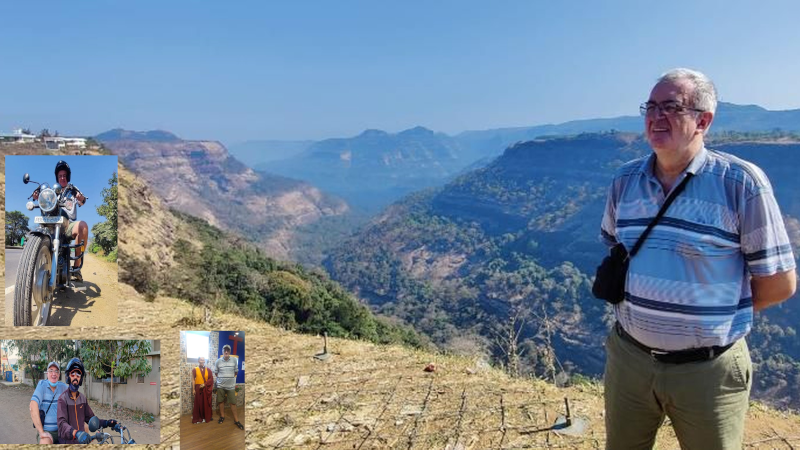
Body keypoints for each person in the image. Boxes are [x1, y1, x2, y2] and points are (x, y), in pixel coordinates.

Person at [599, 68, 797, 449]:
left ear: (703, 120)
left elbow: (780, 284)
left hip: (708, 371)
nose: (657, 116)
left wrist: (713, 313)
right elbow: (615, 244)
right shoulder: (624, 181)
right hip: (630, 360)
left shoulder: (741, 184)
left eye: (671, 107)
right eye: (651, 106)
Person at [32, 160, 87, 281]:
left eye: (64, 175)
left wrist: (80, 197)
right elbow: (43, 199)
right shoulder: (52, 192)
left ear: (68, 176)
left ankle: (77, 268)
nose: (62, 178)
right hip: (52, 223)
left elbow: (82, 201)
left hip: (68, 224)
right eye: (60, 176)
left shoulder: (73, 190)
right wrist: (37, 196)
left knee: (83, 226)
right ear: (57, 177)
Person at [57, 358, 118, 444]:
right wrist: (76, 433)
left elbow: (91, 419)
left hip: (81, 442)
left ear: (80, 379)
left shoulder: (82, 398)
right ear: (68, 376)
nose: (75, 377)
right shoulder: (62, 399)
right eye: (73, 374)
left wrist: (107, 423)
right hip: (67, 443)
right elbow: (62, 425)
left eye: (78, 375)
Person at [30, 361, 68, 444]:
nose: (53, 374)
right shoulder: (42, 385)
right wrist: (41, 432)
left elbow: (75, 400)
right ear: (47, 373)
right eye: (51, 371)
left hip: (62, 431)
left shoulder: (63, 387)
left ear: (59, 374)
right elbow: (33, 405)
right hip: (47, 432)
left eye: (56, 371)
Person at [214, 345, 243, 430]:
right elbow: (216, 373)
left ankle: (236, 420)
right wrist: (223, 378)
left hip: (230, 386)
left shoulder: (234, 360)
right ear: (222, 351)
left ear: (229, 352)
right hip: (220, 386)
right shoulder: (218, 361)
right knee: (221, 401)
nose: (226, 352)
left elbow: (236, 372)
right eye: (224, 350)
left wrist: (230, 379)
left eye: (228, 350)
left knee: (233, 403)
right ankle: (222, 416)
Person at [192, 356, 214, 424]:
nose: (202, 361)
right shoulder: (195, 369)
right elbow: (193, 380)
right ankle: (198, 417)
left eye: (203, 360)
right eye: (201, 360)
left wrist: (205, 384)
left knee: (205, 403)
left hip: (205, 388)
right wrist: (193, 389)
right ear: (198, 361)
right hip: (198, 388)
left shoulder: (208, 370)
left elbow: (211, 379)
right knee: (199, 403)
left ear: (205, 361)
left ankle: (206, 416)